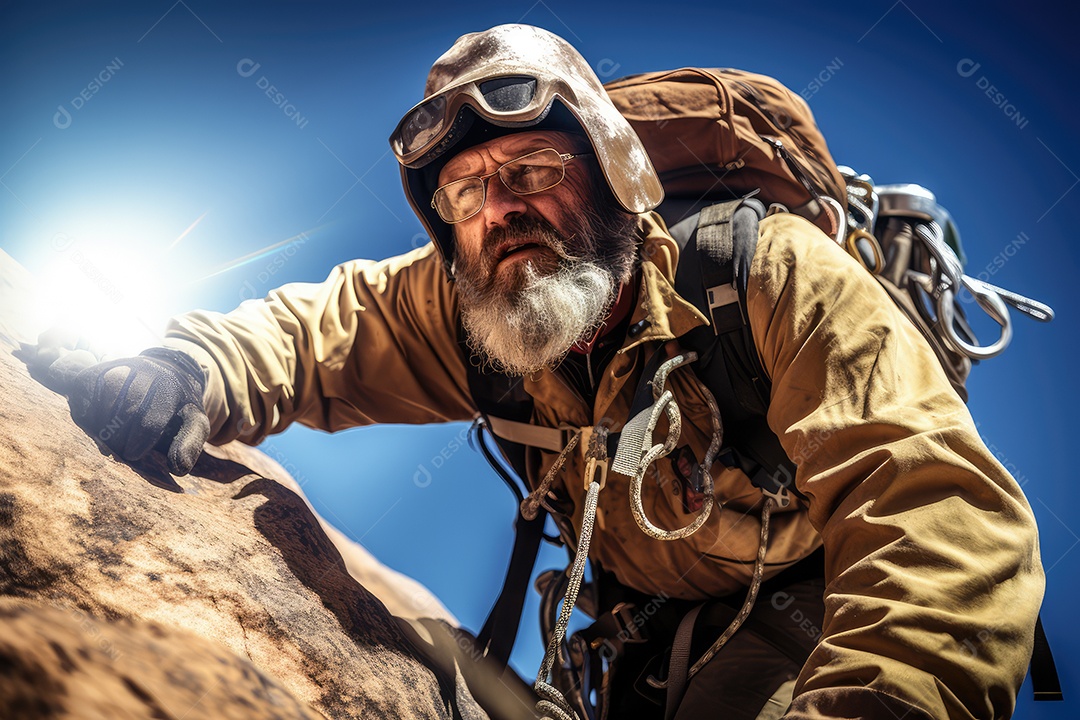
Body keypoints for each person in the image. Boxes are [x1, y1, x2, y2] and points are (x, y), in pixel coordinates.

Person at [65, 23, 1044, 720]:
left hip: (807, 604)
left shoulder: (769, 274)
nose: (500, 209)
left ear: (617, 175)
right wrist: (185, 368)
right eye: (464, 192)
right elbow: (311, 331)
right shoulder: (463, 309)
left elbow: (934, 510)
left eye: (534, 170)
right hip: (631, 631)